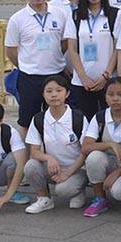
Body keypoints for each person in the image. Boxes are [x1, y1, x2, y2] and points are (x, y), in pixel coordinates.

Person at [5, 0, 70, 134]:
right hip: (30, 77)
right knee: (27, 121)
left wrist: (53, 57)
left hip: (56, 74)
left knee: (58, 119)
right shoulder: (17, 19)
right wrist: (27, 64)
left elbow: (65, 42)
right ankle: (28, 150)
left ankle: (55, 148)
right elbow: (11, 50)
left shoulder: (61, 14)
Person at [23, 75, 88, 214]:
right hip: (53, 168)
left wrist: (69, 172)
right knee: (31, 166)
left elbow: (85, 151)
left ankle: (78, 191)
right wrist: (49, 158)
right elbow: (34, 151)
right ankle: (44, 198)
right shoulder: (39, 119)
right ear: (43, 94)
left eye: (59, 90)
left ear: (67, 93)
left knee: (63, 190)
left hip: (77, 169)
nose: (54, 95)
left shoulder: (78, 118)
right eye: (49, 91)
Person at [64, 0, 120, 119]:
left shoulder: (114, 15)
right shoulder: (75, 15)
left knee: (108, 121)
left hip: (108, 81)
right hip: (81, 82)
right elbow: (72, 49)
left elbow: (117, 49)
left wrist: (106, 76)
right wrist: (83, 78)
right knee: (84, 123)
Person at [80, 76, 121, 216]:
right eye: (110, 94)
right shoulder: (100, 117)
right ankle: (100, 198)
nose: (115, 98)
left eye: (120, 94)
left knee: (120, 193)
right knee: (94, 157)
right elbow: (85, 147)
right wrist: (110, 144)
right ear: (105, 97)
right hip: (109, 162)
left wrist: (118, 172)